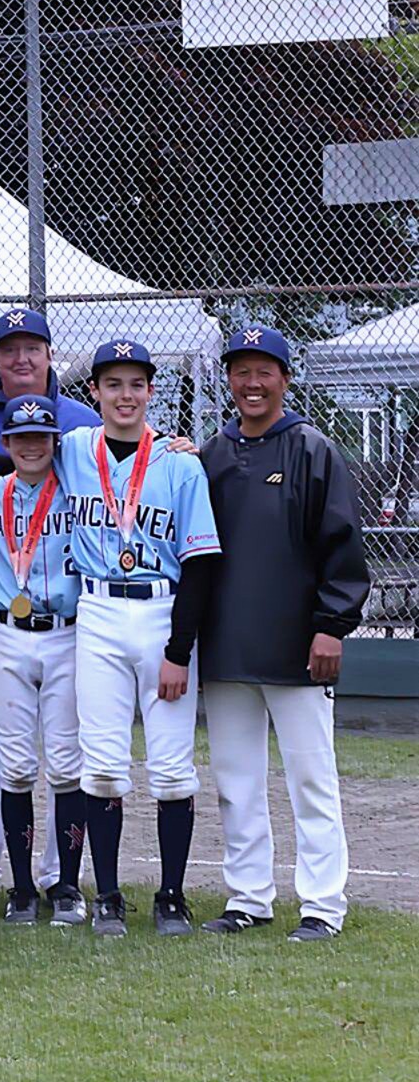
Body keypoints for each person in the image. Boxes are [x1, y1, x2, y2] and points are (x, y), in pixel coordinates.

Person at [198, 326, 369, 942]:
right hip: (227, 646)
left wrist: (332, 626)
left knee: (311, 777)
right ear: (229, 379)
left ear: (285, 378)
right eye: (240, 371)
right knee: (235, 780)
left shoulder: (312, 449)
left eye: (263, 370)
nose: (251, 383)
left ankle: (323, 904)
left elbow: (343, 547)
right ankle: (249, 898)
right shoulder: (212, 454)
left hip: (300, 647)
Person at [59, 339, 221, 937]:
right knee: (101, 765)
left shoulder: (180, 463)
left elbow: (201, 564)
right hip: (97, 610)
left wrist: (179, 651)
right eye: (113, 384)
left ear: (151, 392)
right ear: (94, 392)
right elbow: (11, 440)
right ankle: (108, 896)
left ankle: (171, 896)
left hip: (161, 613)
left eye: (136, 385)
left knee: (172, 767)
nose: (125, 396)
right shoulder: (74, 449)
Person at [0, 307, 101, 905]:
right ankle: (2, 880)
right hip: (3, 623)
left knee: (67, 757)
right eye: (9, 348)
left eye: (31, 347)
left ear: (48, 353)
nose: (21, 358)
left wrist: (167, 444)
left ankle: (60, 879)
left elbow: (124, 464)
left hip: (67, 622)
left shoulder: (82, 428)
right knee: (4, 759)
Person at [0, 394, 86, 927]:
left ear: (55, 442)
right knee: (16, 765)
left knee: (66, 763)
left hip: (66, 633)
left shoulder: (78, 492)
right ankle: (20, 887)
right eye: (21, 438)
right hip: (8, 634)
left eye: (41, 436)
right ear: (6, 444)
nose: (31, 446)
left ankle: (65, 883)